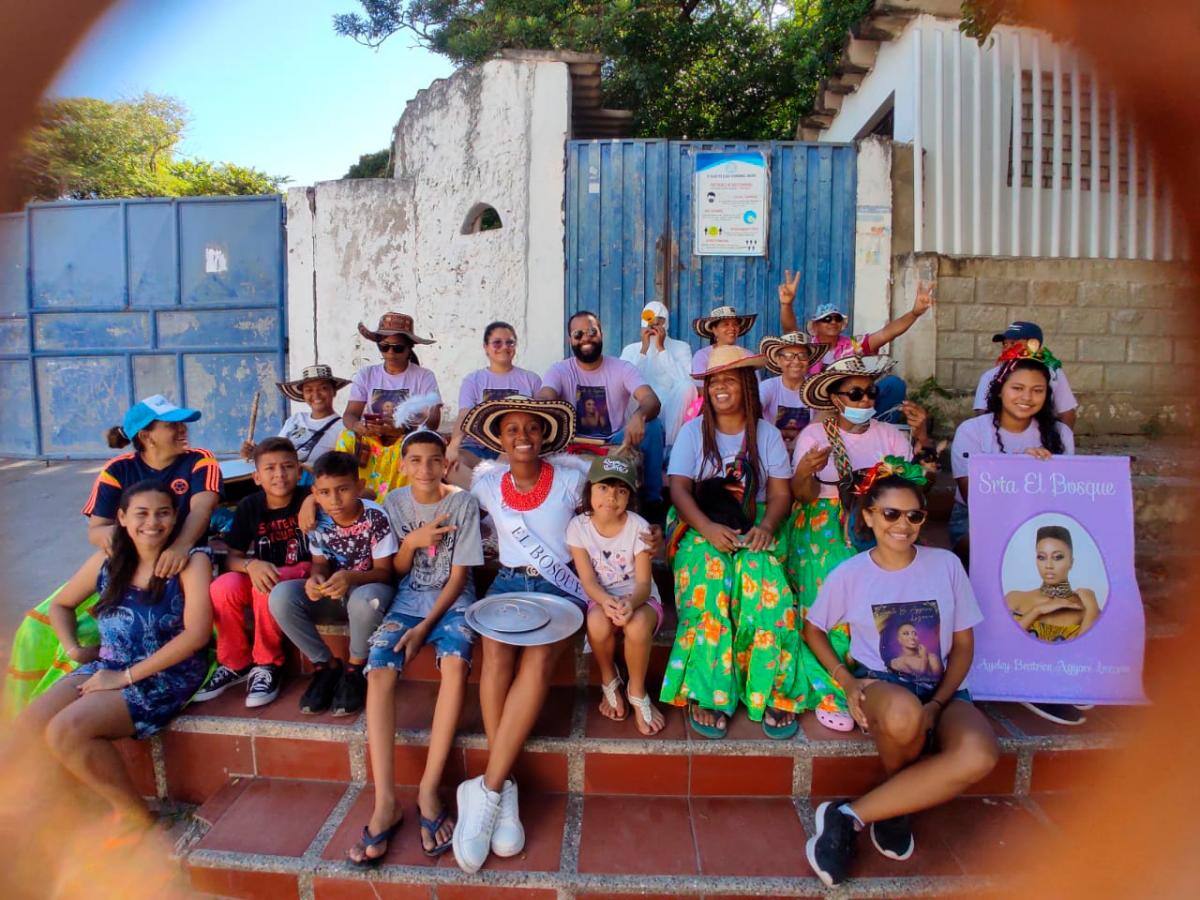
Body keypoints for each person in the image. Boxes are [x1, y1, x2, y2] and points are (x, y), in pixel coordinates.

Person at [802, 462, 998, 887]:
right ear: (869, 516)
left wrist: (939, 704)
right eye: (891, 514)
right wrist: (847, 680)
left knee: (980, 754)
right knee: (905, 715)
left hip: (945, 688)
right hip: (882, 683)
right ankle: (899, 805)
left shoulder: (945, 565)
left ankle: (853, 814)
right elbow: (813, 629)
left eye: (914, 516)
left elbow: (963, 647)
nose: (903, 524)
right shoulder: (851, 574)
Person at [16, 481, 213, 837]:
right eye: (141, 513)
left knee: (67, 731)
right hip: (107, 664)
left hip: (163, 675)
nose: (152, 523)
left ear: (175, 519)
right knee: (30, 725)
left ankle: (136, 818)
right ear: (122, 517)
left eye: (163, 513)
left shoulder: (190, 561)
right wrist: (75, 650)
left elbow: (196, 635)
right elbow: (62, 605)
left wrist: (124, 679)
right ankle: (60, 806)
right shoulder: (110, 559)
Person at [3, 395, 221, 716]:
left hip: (185, 562)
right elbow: (97, 530)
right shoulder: (117, 469)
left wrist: (179, 546)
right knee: (36, 625)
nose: (181, 430)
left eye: (181, 423)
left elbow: (203, 507)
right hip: (128, 566)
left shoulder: (200, 460)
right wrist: (134, 549)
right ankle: (20, 710)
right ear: (146, 436)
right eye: (171, 425)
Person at [453, 395, 588, 874]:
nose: (523, 437)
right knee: (496, 659)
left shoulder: (573, 480)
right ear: (500, 439)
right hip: (510, 582)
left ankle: (487, 790)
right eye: (511, 430)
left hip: (558, 586)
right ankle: (504, 785)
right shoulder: (488, 483)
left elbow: (600, 520)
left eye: (531, 428)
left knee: (538, 662)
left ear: (544, 434)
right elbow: (438, 475)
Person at [347, 431, 482, 864]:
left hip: (452, 601)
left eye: (434, 460)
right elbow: (397, 570)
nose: (425, 468)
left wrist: (425, 629)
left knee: (456, 665)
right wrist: (410, 542)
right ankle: (384, 800)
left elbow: (459, 578)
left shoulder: (461, 502)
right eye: (416, 460)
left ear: (446, 464)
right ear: (402, 465)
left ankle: (428, 789)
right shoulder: (393, 505)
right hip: (408, 598)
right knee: (381, 667)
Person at [660, 345, 802, 740]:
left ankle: (772, 685)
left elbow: (779, 496)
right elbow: (680, 491)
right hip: (698, 524)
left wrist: (768, 527)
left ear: (747, 386)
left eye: (728, 380)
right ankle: (710, 691)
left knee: (768, 589)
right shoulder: (693, 433)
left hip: (753, 523)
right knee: (709, 585)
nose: (720, 388)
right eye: (713, 382)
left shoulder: (767, 435)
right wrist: (706, 529)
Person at [789, 356, 933, 733]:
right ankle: (835, 687)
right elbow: (802, 497)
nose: (866, 400)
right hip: (823, 521)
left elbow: (912, 493)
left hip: (878, 522)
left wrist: (922, 442)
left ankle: (889, 675)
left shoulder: (891, 437)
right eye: (856, 393)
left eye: (871, 393)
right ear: (836, 399)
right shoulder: (815, 436)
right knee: (835, 573)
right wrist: (805, 472)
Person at [950, 342, 1082, 727]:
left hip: (1039, 525)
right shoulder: (972, 432)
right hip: (976, 525)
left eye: (1037, 390)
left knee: (1056, 560)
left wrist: (1044, 474)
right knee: (1022, 561)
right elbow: (971, 496)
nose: (1027, 398)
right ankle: (1010, 671)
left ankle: (1047, 670)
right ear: (999, 390)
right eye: (1018, 388)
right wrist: (1022, 471)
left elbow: (1065, 494)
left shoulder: (1058, 434)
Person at [268, 451, 397, 717]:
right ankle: (325, 665)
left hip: (368, 589)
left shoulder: (376, 517)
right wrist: (316, 578)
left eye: (343, 489)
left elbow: (385, 573)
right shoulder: (319, 518)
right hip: (336, 590)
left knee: (364, 600)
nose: (335, 500)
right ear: (315, 492)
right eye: (325, 493)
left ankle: (355, 669)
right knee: (281, 596)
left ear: (359, 487)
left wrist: (350, 577)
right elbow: (320, 562)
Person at [197, 437, 312, 708]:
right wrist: (251, 565)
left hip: (301, 576)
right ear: (257, 477)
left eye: (287, 467)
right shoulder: (250, 505)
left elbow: (357, 493)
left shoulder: (308, 499)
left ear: (299, 471)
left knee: (266, 583)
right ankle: (235, 662)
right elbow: (232, 558)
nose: (279, 474)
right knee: (222, 587)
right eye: (270, 468)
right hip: (262, 572)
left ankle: (267, 663)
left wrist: (315, 496)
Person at [566, 455, 665, 735]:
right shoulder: (578, 528)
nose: (611, 497)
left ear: (630, 497)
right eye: (604, 488)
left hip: (640, 599)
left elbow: (644, 584)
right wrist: (605, 601)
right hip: (601, 597)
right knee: (596, 622)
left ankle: (636, 690)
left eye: (621, 490)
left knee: (635, 625)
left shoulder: (639, 527)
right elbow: (587, 579)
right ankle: (609, 678)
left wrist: (629, 603)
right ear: (590, 490)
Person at [537, 310, 666, 514]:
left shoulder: (622, 368)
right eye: (578, 334)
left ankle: (652, 503)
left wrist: (639, 415)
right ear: (569, 339)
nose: (585, 338)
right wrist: (541, 405)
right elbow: (545, 396)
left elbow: (651, 399)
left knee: (653, 425)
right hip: (573, 443)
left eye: (591, 332)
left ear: (601, 334)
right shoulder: (559, 370)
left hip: (614, 442)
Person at [779, 270, 932, 421]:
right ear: (815, 326)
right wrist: (787, 305)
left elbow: (887, 333)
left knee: (894, 385)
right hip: (816, 404)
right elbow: (789, 330)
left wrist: (915, 313)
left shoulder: (853, 344)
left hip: (853, 401)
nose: (833, 322)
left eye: (837, 318)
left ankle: (876, 430)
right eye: (827, 319)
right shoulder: (809, 346)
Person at [338, 312, 442, 500]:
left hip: (403, 438)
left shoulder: (423, 376)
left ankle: (400, 499)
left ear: (410, 348)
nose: (390, 353)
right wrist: (358, 427)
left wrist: (403, 429)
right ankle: (348, 494)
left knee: (413, 445)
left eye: (398, 348)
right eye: (384, 347)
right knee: (346, 438)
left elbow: (433, 421)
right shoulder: (366, 374)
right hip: (372, 440)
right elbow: (350, 415)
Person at [446, 321, 542, 478]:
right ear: (486, 347)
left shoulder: (531, 380)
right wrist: (453, 446)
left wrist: (508, 451)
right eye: (497, 343)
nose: (504, 347)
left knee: (504, 468)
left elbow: (539, 419)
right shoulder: (473, 380)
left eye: (510, 342)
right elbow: (465, 414)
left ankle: (489, 490)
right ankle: (486, 492)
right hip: (477, 447)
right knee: (452, 466)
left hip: (515, 447)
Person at [1004, 525, 1100, 643]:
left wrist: (1092, 608)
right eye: (1042, 557)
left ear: (1071, 562)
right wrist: (1037, 611)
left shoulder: (1086, 608)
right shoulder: (1014, 598)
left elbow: (1087, 652)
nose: (1048, 565)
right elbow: (1003, 643)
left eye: (1057, 557)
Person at [619, 301, 696, 447]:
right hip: (640, 407)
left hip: (671, 409)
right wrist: (643, 350)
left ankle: (670, 448)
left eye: (658, 321)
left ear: (665, 322)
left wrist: (662, 350)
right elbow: (625, 380)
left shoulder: (681, 347)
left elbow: (685, 380)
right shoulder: (631, 349)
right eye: (650, 321)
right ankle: (629, 440)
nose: (653, 325)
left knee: (687, 386)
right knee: (624, 389)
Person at [241, 364, 350, 467]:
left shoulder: (343, 429)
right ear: (303, 394)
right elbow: (275, 452)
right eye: (309, 390)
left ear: (334, 391)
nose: (316, 394)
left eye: (323, 388)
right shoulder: (295, 419)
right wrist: (256, 452)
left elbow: (339, 472)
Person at [974, 322, 1077, 430]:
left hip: (1044, 438)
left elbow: (1067, 412)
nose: (1007, 348)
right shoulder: (991, 375)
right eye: (1005, 344)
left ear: (1033, 345)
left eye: (1013, 344)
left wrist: (1061, 443)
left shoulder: (1054, 374)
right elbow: (982, 413)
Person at [757, 332, 828, 451]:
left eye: (802, 356)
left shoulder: (815, 389)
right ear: (778, 360)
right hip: (771, 451)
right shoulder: (769, 386)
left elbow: (826, 414)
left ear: (808, 361)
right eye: (789, 355)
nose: (796, 361)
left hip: (806, 452)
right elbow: (754, 407)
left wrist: (796, 443)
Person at [690, 304, 757, 374]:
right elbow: (700, 382)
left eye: (735, 324)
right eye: (726, 324)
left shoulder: (748, 355)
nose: (732, 328)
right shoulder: (703, 355)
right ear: (714, 330)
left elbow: (755, 383)